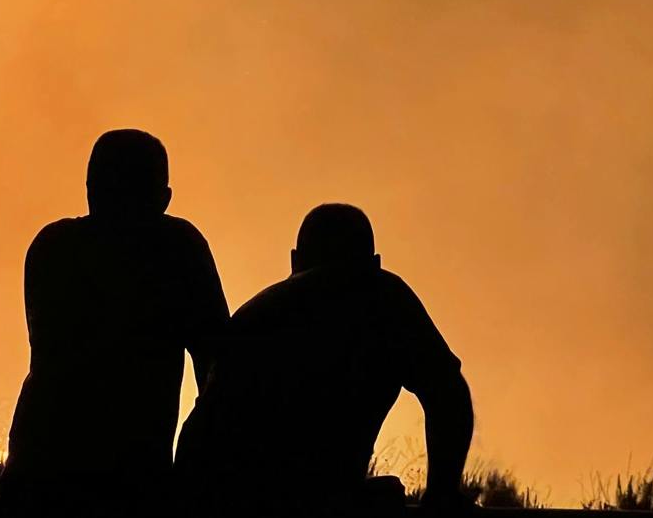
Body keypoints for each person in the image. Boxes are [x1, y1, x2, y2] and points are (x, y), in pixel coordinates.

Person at [176, 203, 473, 515]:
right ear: (375, 262)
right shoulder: (382, 296)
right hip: (279, 496)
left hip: (211, 492)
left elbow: (203, 435)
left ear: (294, 261)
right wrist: (442, 494)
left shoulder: (256, 313)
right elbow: (448, 394)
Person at [1, 129, 229, 514]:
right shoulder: (176, 249)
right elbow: (218, 366)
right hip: (132, 479)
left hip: (37, 471)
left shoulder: (52, 247)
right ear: (164, 198)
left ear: (90, 188)